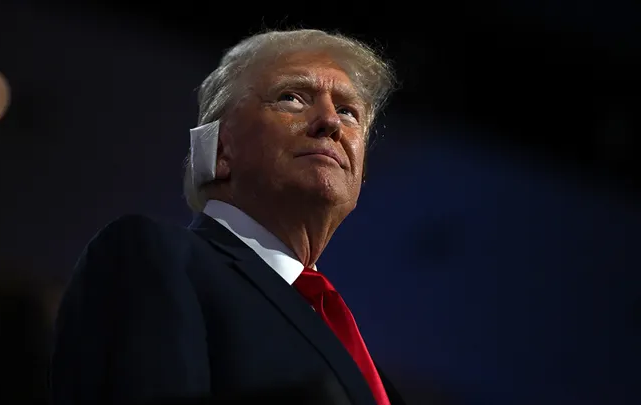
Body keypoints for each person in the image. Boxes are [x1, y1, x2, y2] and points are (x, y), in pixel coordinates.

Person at [50, 29, 401, 405]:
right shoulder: (156, 258)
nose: (330, 121)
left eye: (349, 111)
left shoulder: (364, 366)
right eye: (292, 98)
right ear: (219, 149)